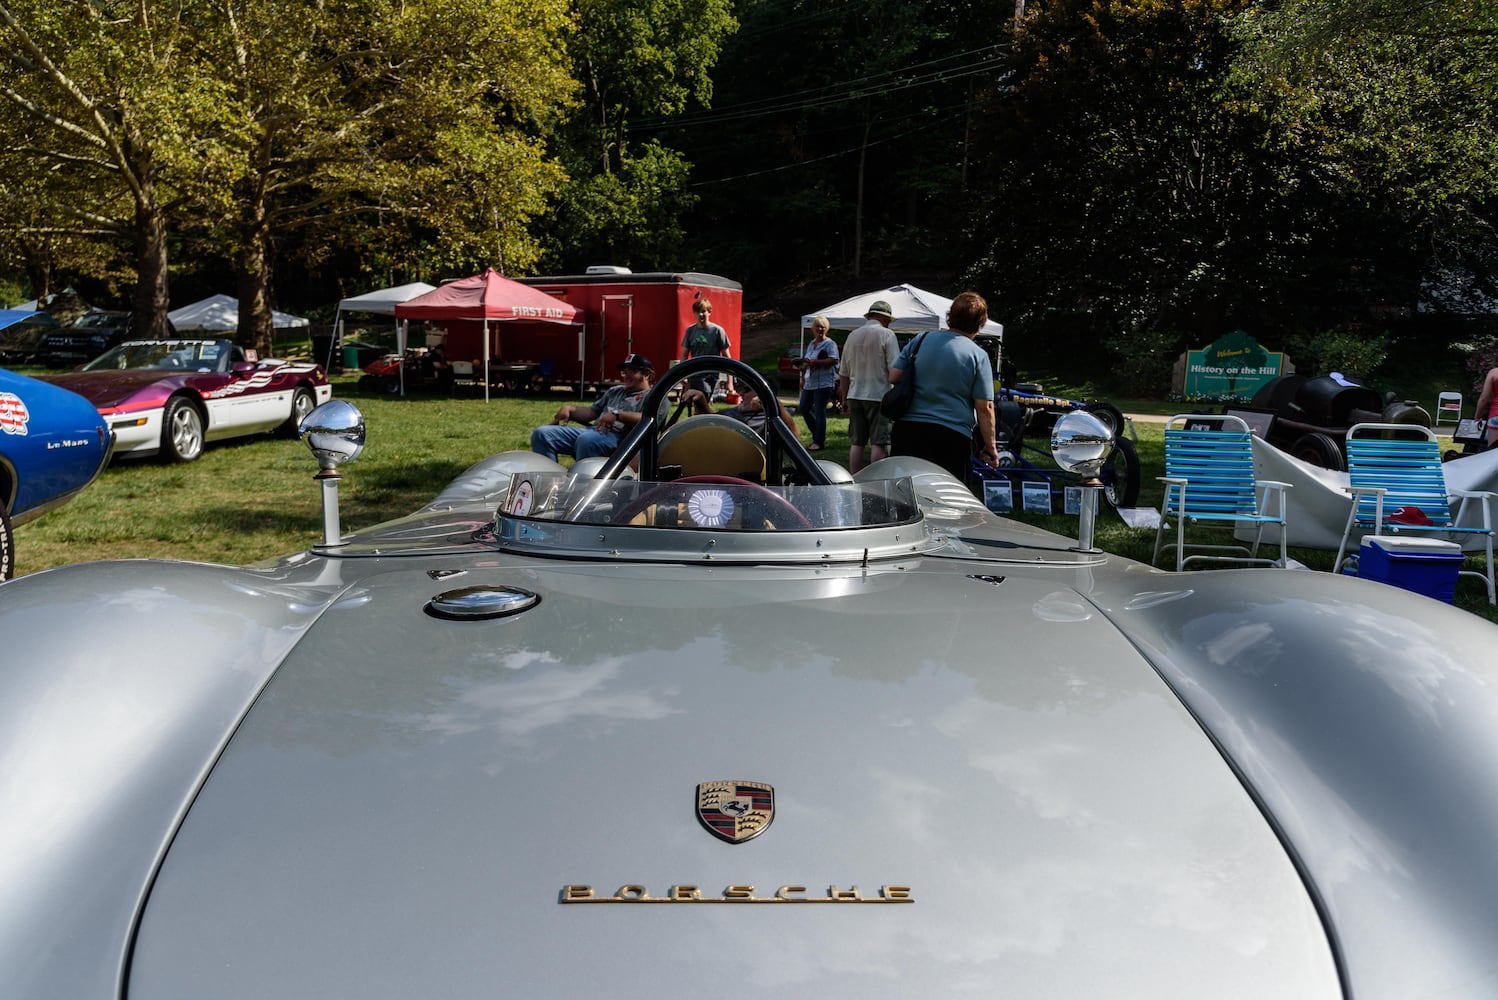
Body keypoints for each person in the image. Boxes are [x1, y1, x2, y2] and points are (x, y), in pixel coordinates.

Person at [887, 291, 999, 484]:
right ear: (980, 323)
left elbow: (894, 375)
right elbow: (984, 407)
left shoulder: (921, 340)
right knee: (947, 498)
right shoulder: (978, 355)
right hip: (951, 436)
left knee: (904, 494)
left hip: (907, 429)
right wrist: (991, 447)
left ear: (950, 316)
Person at [530, 354, 654, 462]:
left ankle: (583, 484)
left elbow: (649, 419)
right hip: (593, 432)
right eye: (624, 372)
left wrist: (617, 415)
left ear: (646, 374)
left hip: (621, 438)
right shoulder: (614, 391)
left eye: (631, 372)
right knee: (542, 434)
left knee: (586, 440)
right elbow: (592, 412)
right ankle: (552, 483)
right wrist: (570, 410)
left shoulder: (654, 396)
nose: (626, 376)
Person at [835, 299, 900, 472]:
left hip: (855, 394)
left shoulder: (852, 335)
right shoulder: (887, 335)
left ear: (870, 316)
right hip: (879, 395)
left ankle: (855, 479)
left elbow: (843, 372)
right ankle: (876, 480)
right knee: (879, 442)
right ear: (884, 318)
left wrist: (845, 397)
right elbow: (894, 369)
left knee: (857, 442)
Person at [681, 382, 799, 440]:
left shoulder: (774, 417)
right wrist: (701, 400)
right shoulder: (731, 412)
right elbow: (709, 423)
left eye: (747, 390)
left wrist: (773, 403)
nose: (741, 394)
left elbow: (793, 436)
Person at [797, 315, 839, 451]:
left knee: (820, 411)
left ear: (826, 329)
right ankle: (818, 434)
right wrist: (803, 376)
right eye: (818, 326)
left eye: (823, 326)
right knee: (803, 407)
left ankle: (818, 442)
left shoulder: (830, 344)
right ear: (813, 328)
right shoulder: (811, 344)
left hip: (824, 383)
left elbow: (833, 360)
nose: (820, 329)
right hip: (810, 382)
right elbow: (807, 362)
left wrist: (815, 363)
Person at [679, 298, 731, 397]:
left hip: (710, 374)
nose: (701, 315)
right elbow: (684, 354)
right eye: (697, 312)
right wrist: (682, 375)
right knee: (694, 402)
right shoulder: (690, 330)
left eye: (703, 311)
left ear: (709, 312)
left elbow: (727, 357)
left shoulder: (717, 331)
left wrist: (730, 382)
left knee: (703, 398)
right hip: (694, 372)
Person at [1475, 365, 1498, 447]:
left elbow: (1484, 399)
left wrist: (1477, 417)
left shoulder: (1494, 373)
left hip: (1496, 416)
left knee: (1493, 452)